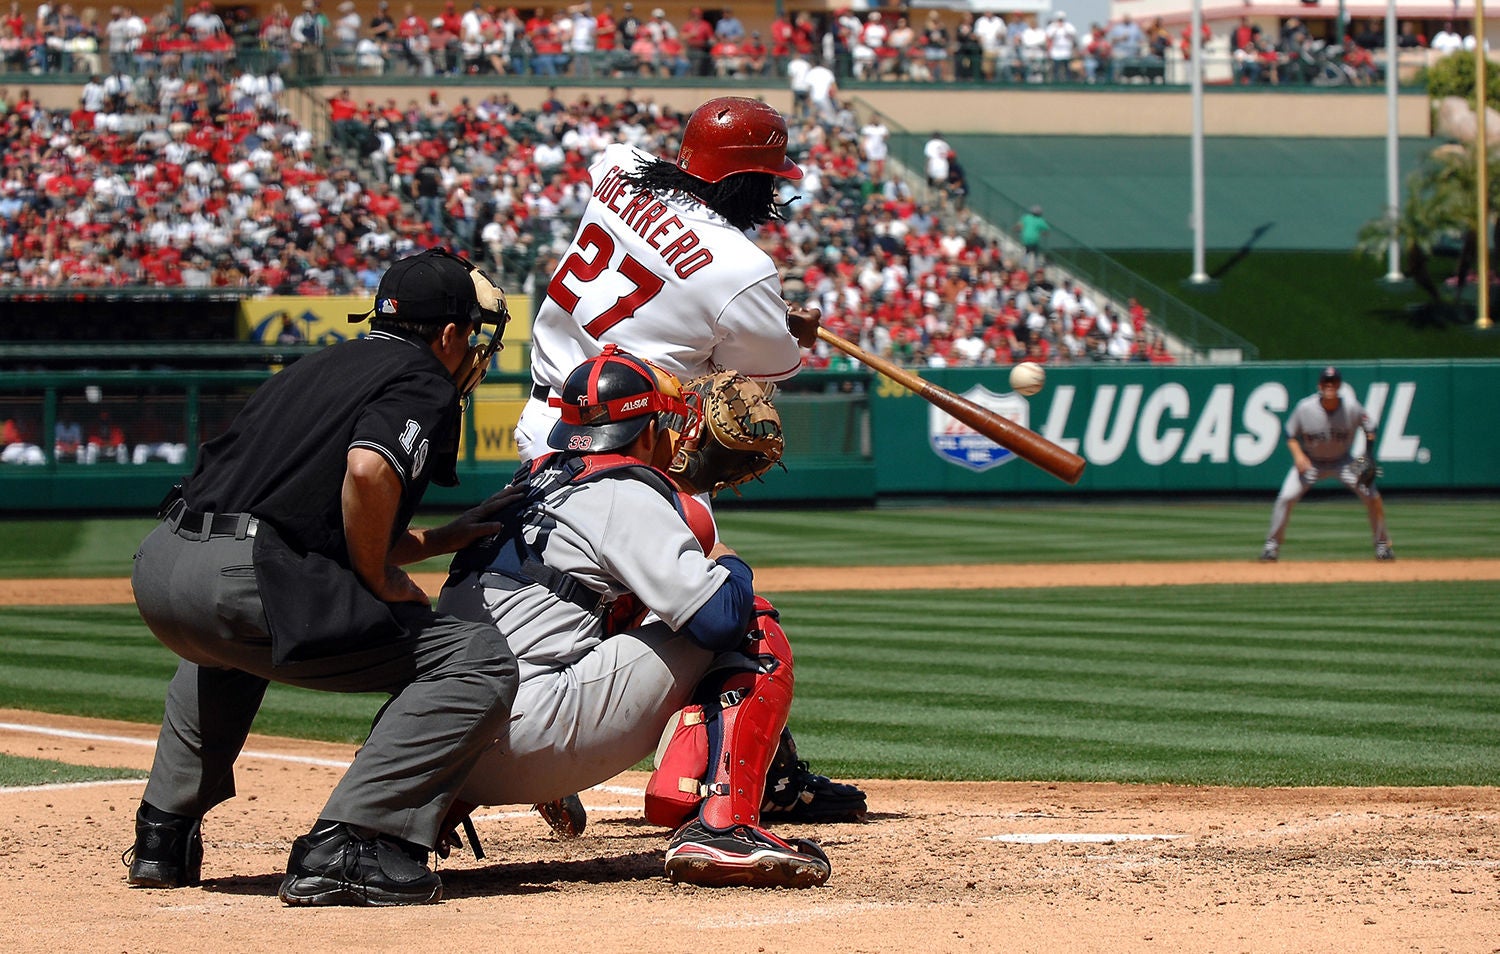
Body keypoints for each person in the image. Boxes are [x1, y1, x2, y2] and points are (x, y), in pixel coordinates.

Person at [124, 247, 521, 907]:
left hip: (164, 566)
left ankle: (162, 837)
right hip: (242, 576)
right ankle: (352, 844)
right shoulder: (424, 376)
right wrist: (378, 574)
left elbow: (309, 515)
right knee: (474, 658)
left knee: (228, 648)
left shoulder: (321, 365)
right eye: (470, 336)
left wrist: (437, 540)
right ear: (449, 334)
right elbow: (367, 472)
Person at [514, 95, 865, 831]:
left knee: (577, 595)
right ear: (749, 183)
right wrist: (785, 324)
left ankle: (530, 724)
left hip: (548, 422)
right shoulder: (742, 267)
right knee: (729, 613)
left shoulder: (620, 170)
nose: (773, 195)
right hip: (631, 448)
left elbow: (671, 286)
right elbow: (765, 366)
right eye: (769, 180)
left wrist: (768, 316)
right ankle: (723, 795)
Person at [438, 346, 832, 887]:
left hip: (438, 749)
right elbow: (717, 621)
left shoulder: (528, 482)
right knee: (749, 621)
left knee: (610, 609)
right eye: (666, 423)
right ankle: (724, 826)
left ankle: (433, 813)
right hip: (526, 739)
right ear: (646, 431)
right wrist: (729, 563)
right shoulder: (621, 491)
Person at [1260, 366, 1394, 563]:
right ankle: (1271, 548)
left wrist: (1367, 456)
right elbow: (1290, 434)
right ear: (1319, 386)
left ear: (1339, 385)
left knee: (1373, 496)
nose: (1329, 385)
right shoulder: (1305, 407)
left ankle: (1382, 546)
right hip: (1312, 461)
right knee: (1286, 497)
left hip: (1344, 460)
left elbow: (1370, 428)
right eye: (1326, 382)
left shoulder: (1351, 407)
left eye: (1333, 382)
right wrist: (1298, 455)